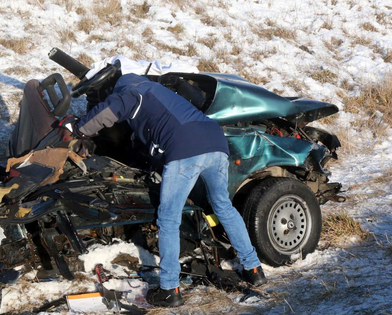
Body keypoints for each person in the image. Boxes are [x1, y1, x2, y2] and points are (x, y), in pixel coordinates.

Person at [64, 72, 267, 308]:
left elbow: (109, 111)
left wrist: (78, 129)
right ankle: (254, 268)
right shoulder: (158, 91)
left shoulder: (131, 93)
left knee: (169, 219)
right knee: (222, 205)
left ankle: (170, 289)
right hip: (215, 141)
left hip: (186, 149)